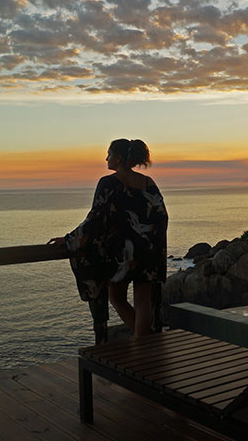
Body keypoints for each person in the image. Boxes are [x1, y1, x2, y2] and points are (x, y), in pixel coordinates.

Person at [48, 139, 168, 343]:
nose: (106, 158)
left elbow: (95, 218)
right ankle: (145, 345)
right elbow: (162, 216)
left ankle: (143, 345)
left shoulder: (108, 183)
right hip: (148, 251)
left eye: (109, 154)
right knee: (143, 301)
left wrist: (70, 239)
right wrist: (152, 245)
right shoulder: (148, 183)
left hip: (121, 254)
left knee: (116, 298)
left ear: (119, 158)